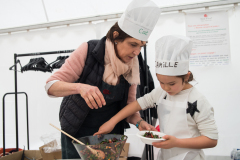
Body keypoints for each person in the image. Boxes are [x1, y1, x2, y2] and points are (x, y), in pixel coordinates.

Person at [45, 0, 161, 159]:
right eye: (133, 44)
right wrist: (80, 88)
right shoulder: (88, 51)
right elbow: (50, 86)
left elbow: (129, 107)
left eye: (141, 46)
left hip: (109, 135)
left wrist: (139, 122)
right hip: (77, 133)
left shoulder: (133, 66)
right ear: (115, 37)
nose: (136, 52)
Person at [94, 35, 218, 160]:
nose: (166, 88)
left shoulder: (198, 101)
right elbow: (136, 105)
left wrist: (176, 143)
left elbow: (211, 140)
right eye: (161, 82)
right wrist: (112, 122)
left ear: (186, 77)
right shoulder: (161, 92)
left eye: (171, 84)